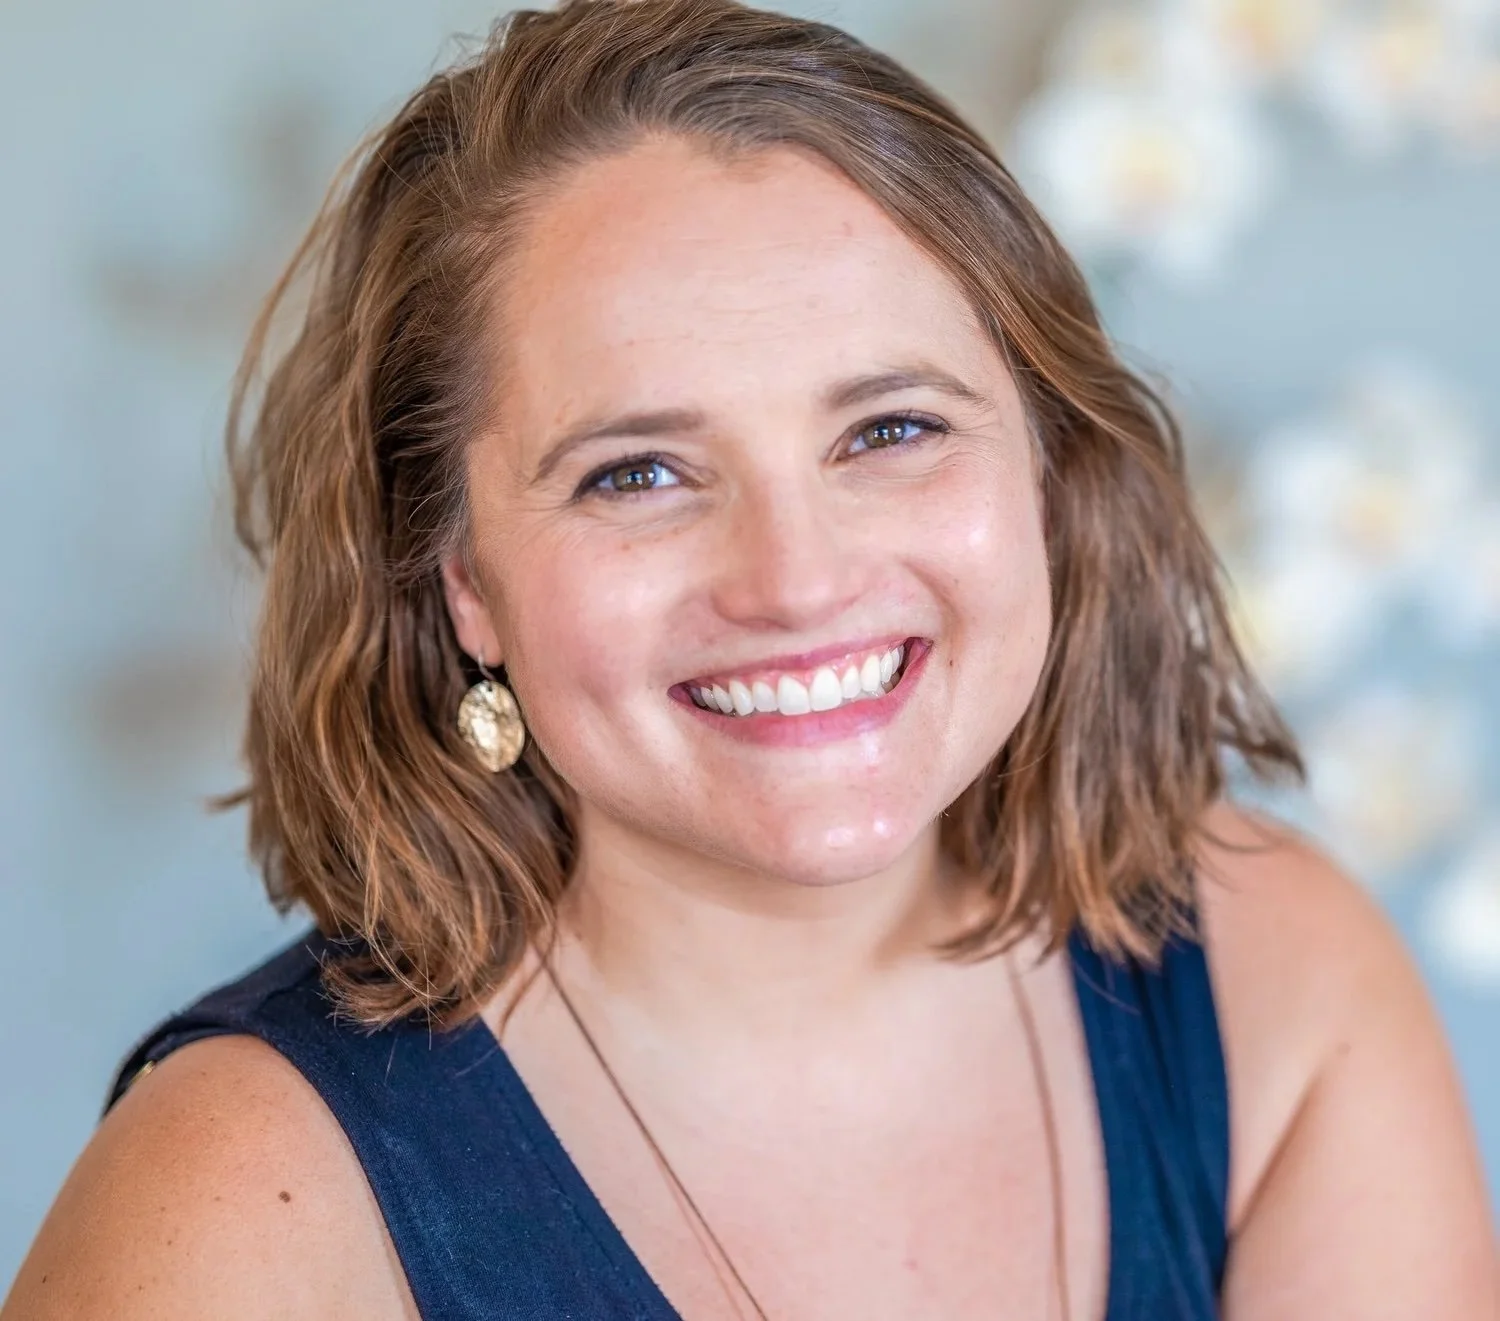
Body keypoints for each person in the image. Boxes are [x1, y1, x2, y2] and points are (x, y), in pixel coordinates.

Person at [6, 1, 1496, 1317]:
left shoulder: (1270, 980)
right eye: (638, 473)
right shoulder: (238, 1203)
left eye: (891, 430)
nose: (796, 580)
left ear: (1043, 474)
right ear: (465, 585)